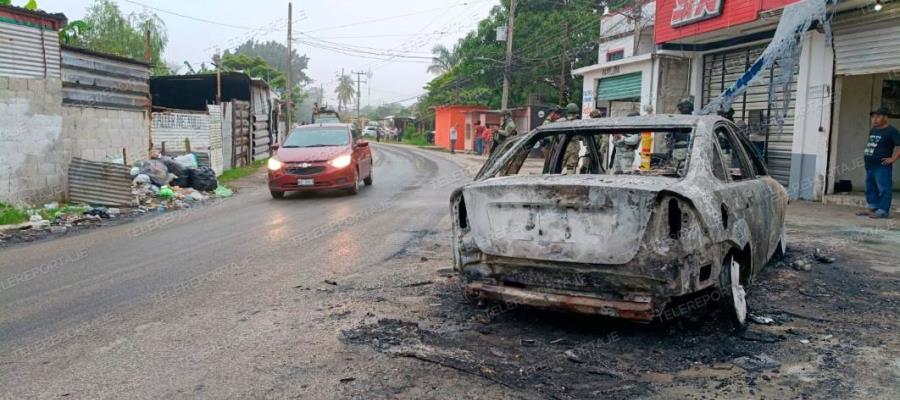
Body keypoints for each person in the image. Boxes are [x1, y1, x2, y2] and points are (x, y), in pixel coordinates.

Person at [859, 106, 900, 219]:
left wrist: (892, 159)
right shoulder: (874, 130)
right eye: (873, 116)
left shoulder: (891, 131)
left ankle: (883, 211)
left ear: (886, 118)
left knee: (884, 188)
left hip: (882, 166)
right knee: (870, 188)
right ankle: (873, 209)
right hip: (870, 165)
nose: (874, 119)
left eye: (878, 116)